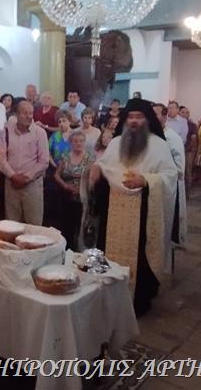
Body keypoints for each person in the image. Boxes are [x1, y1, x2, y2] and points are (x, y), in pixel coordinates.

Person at [86, 98, 177, 314]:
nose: (134, 121)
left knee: (140, 258)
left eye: (139, 117)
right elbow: (106, 164)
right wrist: (96, 167)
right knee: (108, 252)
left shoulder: (159, 145)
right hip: (113, 210)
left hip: (143, 211)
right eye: (131, 117)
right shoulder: (116, 143)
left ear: (147, 120)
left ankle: (137, 302)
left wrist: (145, 180)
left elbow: (170, 175)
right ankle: (107, 295)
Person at [0, 101, 50, 225]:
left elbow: (44, 161)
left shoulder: (40, 133)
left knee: (33, 225)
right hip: (11, 185)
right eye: (25, 113)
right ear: (17, 115)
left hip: (32, 186)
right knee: (12, 225)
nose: (29, 116)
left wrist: (26, 178)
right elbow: (0, 157)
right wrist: (13, 176)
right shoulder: (6, 132)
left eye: (31, 113)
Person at [154, 103, 188, 247]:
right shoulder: (150, 136)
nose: (152, 117)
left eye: (156, 114)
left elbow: (179, 168)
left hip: (169, 187)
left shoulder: (172, 137)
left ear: (164, 116)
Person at [54, 131, 94, 248]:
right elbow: (56, 175)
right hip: (66, 197)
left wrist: (82, 189)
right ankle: (67, 251)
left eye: (81, 141)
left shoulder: (90, 158)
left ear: (84, 142)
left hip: (83, 199)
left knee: (81, 227)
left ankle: (80, 252)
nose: (78, 143)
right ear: (71, 143)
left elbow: (92, 178)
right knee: (67, 227)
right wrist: (65, 186)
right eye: (75, 141)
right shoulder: (65, 156)